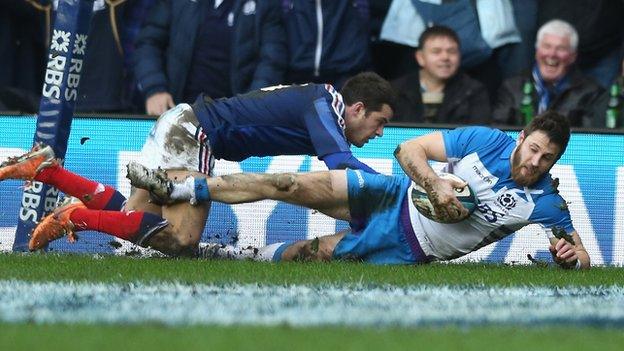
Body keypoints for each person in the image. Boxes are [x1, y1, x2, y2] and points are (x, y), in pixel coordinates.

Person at [0, 72, 396, 256]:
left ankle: (50, 172)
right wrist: (400, 187)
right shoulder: (326, 102)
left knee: (134, 218)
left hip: (183, 123)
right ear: (358, 108)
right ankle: (77, 218)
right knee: (181, 239)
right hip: (195, 133)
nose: (379, 133)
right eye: (380, 122)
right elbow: (340, 164)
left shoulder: (320, 101)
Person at [137, 110, 591, 269]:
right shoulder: (484, 141)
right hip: (391, 195)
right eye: (532, 149)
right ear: (522, 138)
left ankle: (223, 255)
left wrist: (571, 258)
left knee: (304, 255)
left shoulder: (547, 203)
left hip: (406, 244)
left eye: (545, 158)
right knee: (286, 182)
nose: (534, 162)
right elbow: (407, 149)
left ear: (555, 161)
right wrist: (435, 185)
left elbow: (583, 257)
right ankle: (179, 191)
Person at [134, 0, 287, 115]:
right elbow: (149, 42)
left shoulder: (265, 4)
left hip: (234, 121)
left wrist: (252, 104)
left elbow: (272, 60)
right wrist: (155, 89)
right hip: (177, 111)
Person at [492, 19, 608, 128]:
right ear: (537, 52)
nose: (552, 54)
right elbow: (499, 132)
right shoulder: (512, 87)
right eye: (547, 46)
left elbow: (589, 140)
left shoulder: (590, 92)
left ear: (573, 56)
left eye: (561, 48)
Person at [391, 25, 490, 124]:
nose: (445, 57)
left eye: (451, 51)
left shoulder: (474, 91)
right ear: (420, 57)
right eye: (436, 51)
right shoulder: (395, 90)